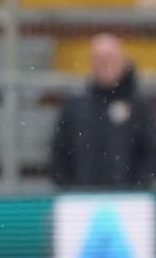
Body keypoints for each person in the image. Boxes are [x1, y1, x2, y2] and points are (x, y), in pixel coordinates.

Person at [51, 33, 156, 190]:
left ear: (123, 59)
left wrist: (136, 189)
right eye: (99, 58)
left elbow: (149, 152)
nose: (105, 63)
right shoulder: (75, 106)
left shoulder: (139, 106)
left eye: (110, 57)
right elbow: (59, 153)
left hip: (129, 204)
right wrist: (71, 189)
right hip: (82, 202)